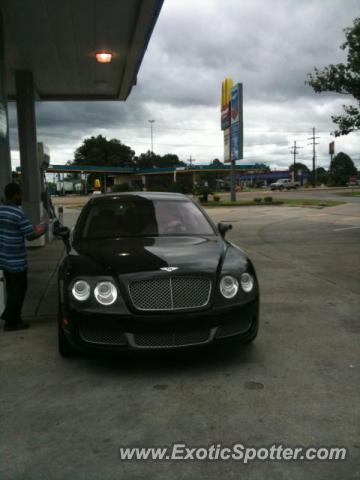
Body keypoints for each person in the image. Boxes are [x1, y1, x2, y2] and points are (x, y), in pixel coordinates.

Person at [0, 183, 48, 331]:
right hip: (16, 261)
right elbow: (31, 235)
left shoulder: (1, 210)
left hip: (4, 260)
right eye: (20, 194)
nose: (22, 197)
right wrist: (45, 227)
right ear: (15, 195)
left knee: (11, 289)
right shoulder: (18, 213)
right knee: (19, 291)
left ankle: (13, 318)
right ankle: (11, 320)